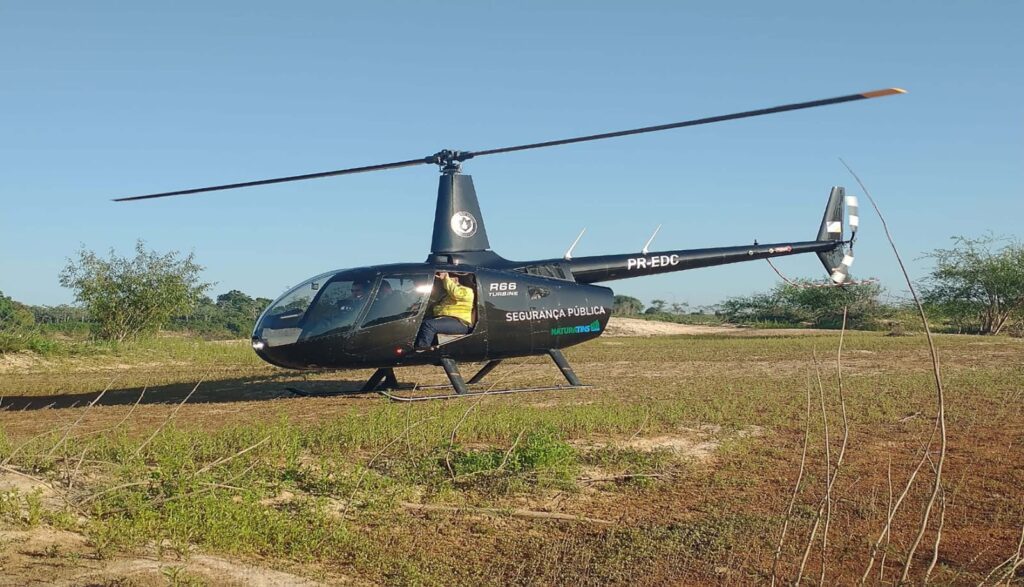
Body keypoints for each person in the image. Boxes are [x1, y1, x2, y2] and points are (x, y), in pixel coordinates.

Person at [415, 272, 474, 350]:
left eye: (450, 278)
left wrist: (446, 278)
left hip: (461, 322)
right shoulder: (446, 295)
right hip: (447, 319)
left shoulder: (467, 291)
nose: (445, 282)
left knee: (428, 325)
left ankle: (422, 350)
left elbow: (456, 293)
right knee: (419, 323)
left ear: (456, 279)